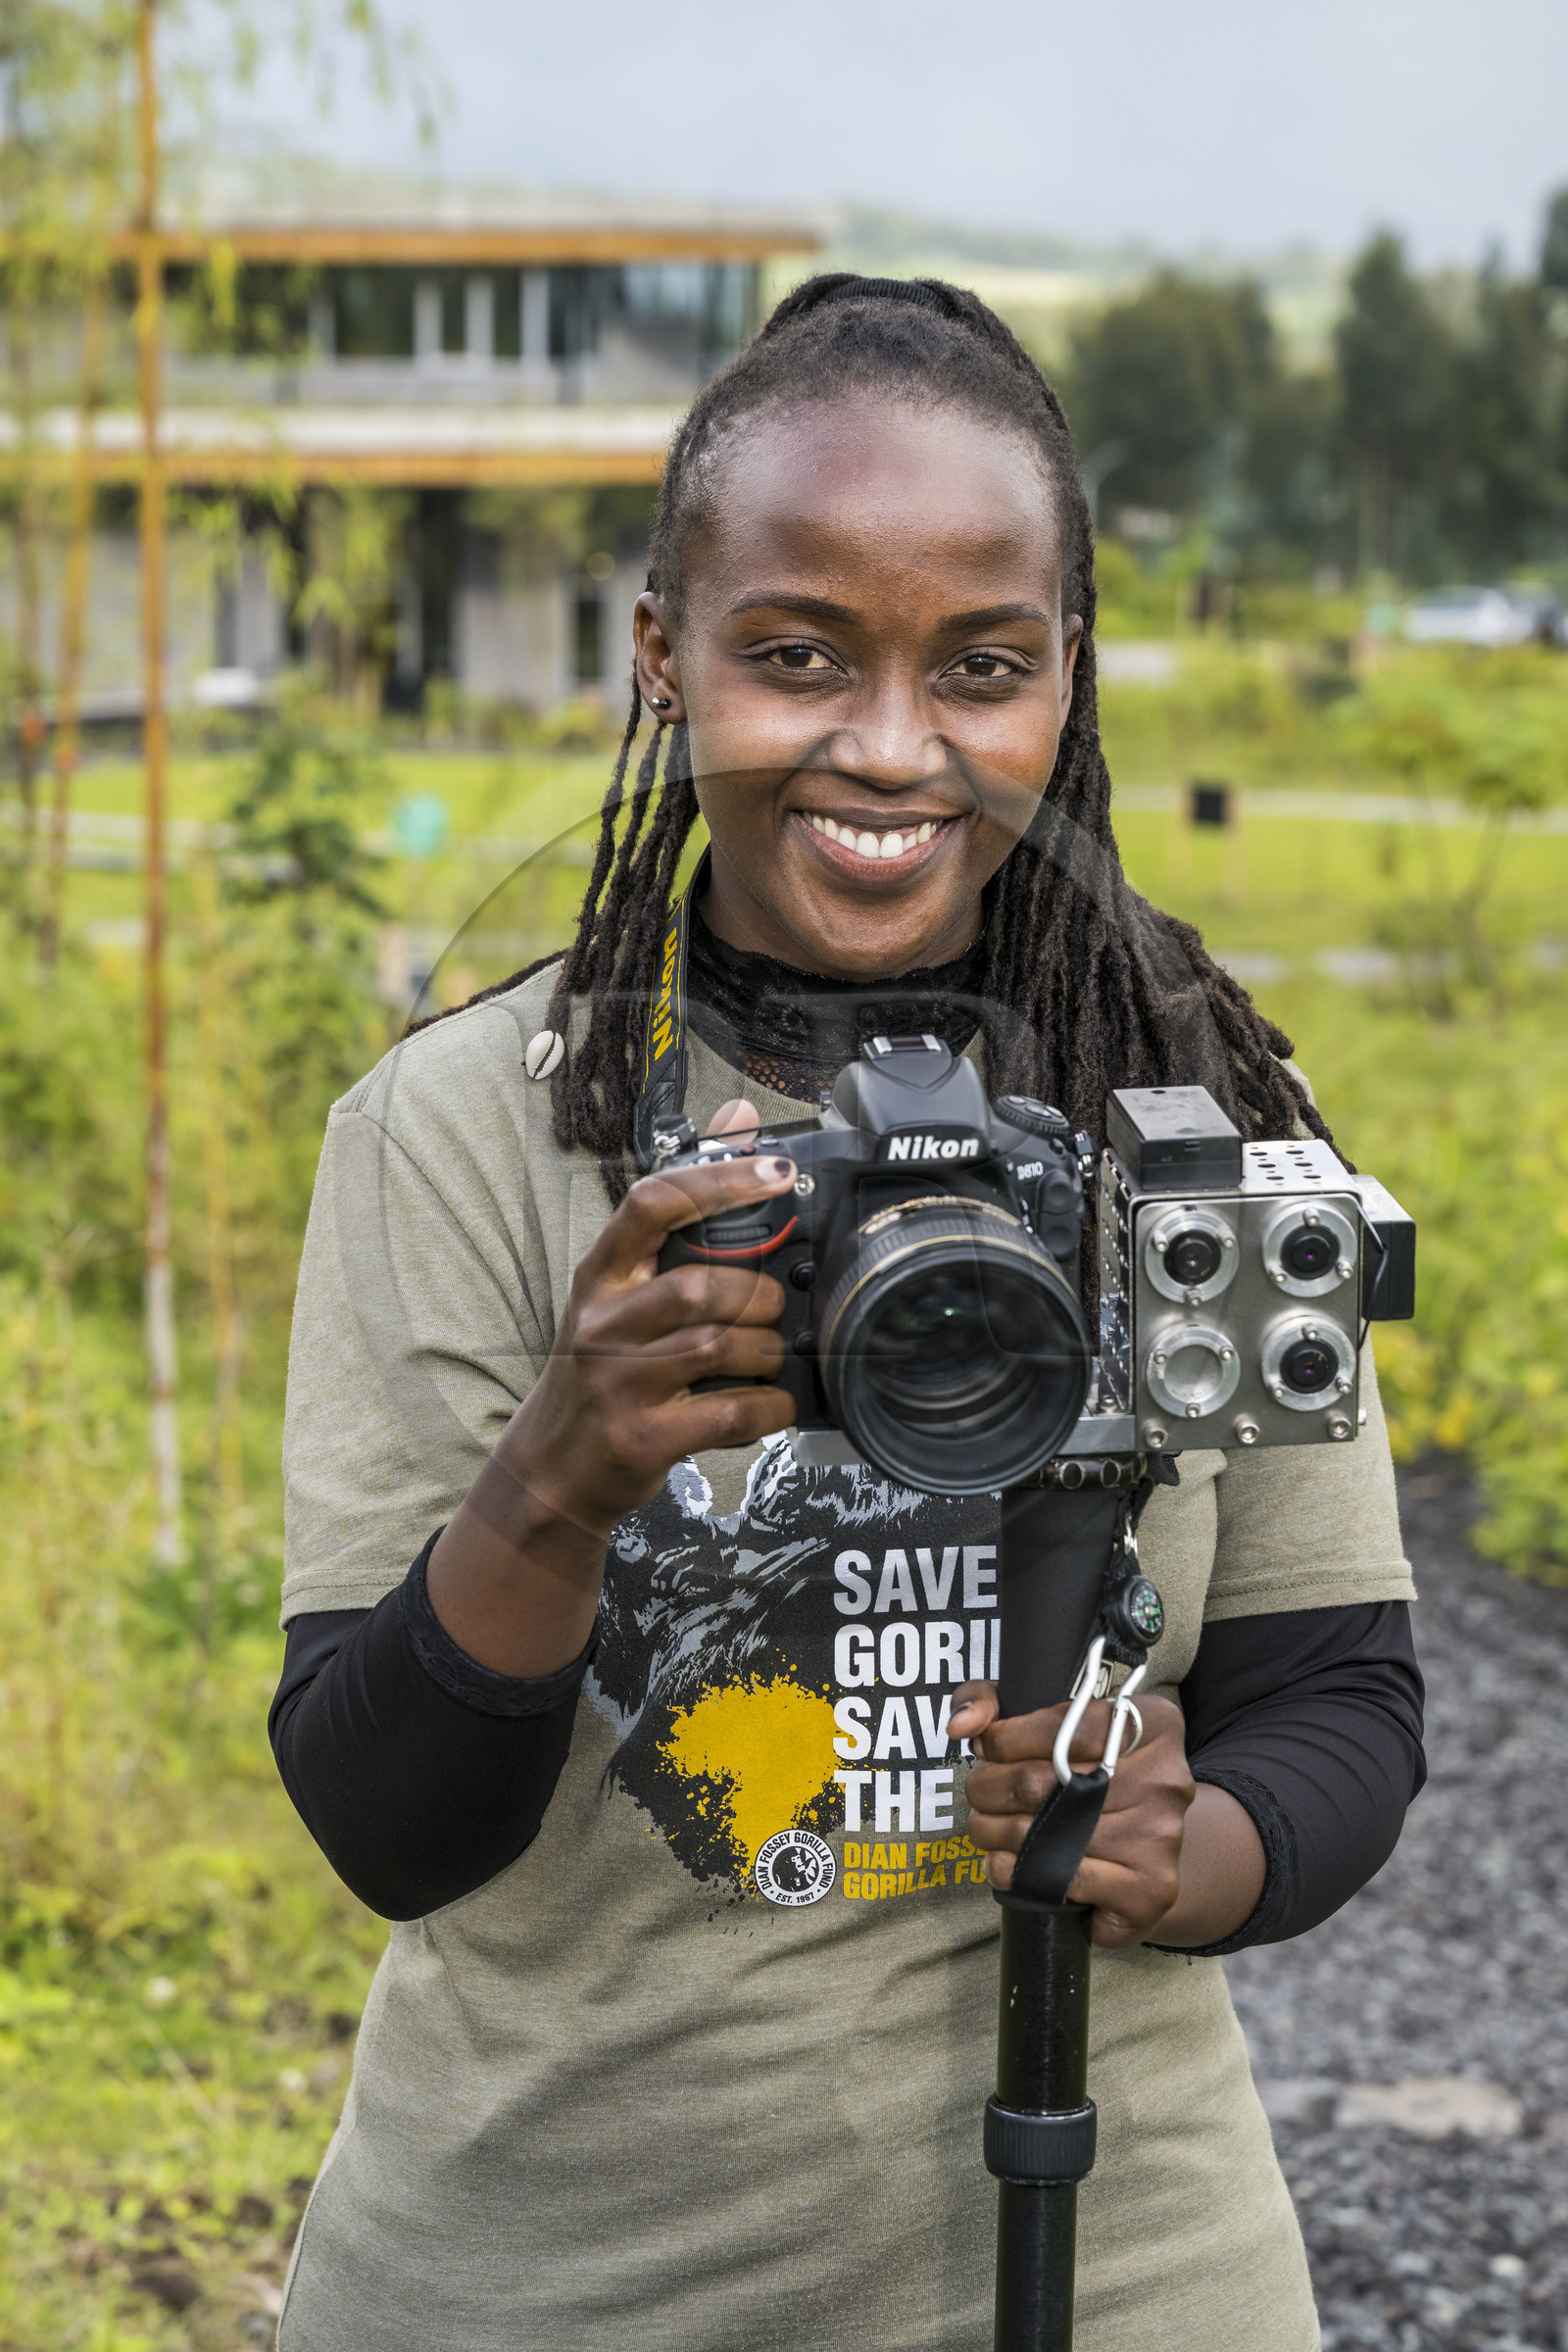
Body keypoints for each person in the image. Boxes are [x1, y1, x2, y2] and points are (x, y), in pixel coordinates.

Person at [270, 275, 1424, 2352]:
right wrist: (556, 1480)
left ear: (1064, 676)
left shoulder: (1194, 1124)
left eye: (977, 666)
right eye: (792, 654)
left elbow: (1340, 1700)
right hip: (542, 2286)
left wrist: (1192, 1846)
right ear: (662, 656)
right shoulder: (462, 1134)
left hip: (1121, 2280)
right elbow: (387, 1826)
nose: (889, 746)